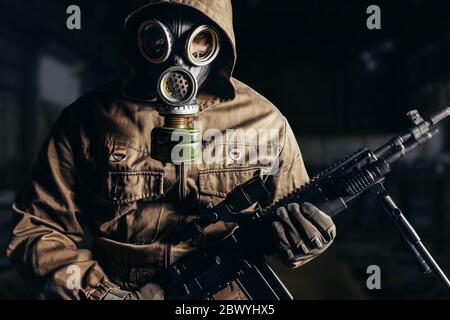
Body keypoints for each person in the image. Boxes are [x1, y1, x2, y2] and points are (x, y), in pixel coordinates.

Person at [7, 0, 336, 300]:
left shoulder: (264, 122)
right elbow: (39, 228)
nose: (178, 59)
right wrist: (100, 295)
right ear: (139, 40)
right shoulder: (87, 120)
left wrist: (307, 240)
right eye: (158, 41)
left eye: (199, 42)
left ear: (219, 42)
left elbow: (292, 220)